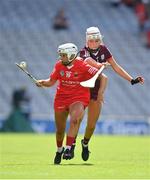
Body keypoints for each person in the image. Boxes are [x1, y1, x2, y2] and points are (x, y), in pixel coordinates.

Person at [72, 26, 144, 162]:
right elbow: (92, 64)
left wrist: (132, 80)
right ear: (87, 40)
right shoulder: (83, 53)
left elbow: (116, 66)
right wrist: (102, 65)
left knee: (91, 125)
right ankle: (71, 145)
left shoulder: (104, 50)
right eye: (91, 40)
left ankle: (85, 143)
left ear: (100, 39)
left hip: (96, 90)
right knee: (77, 120)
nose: (94, 42)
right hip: (82, 90)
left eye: (97, 39)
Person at [36, 43, 105, 164]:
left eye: (63, 55)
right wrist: (42, 82)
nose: (60, 58)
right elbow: (51, 81)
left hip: (79, 98)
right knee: (60, 130)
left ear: (71, 55)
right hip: (61, 98)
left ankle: (68, 149)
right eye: (60, 55)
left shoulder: (83, 65)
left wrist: (100, 93)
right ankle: (59, 150)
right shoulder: (58, 66)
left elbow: (102, 77)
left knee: (74, 120)